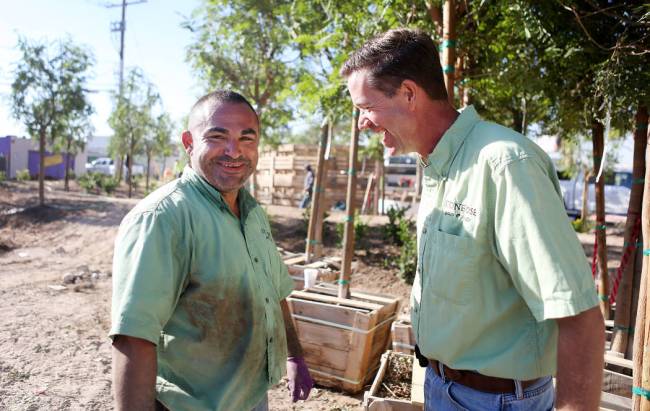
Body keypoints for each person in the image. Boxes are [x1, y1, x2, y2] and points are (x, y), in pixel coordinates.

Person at [341, 29, 604, 411]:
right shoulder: (437, 166)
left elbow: (579, 316)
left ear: (409, 94)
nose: (362, 123)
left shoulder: (505, 165)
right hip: (443, 387)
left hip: (497, 401)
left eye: (366, 107)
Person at [110, 90, 313, 411]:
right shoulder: (163, 219)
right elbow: (134, 338)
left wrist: (294, 355)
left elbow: (275, 292)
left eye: (247, 139)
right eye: (218, 137)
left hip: (250, 395)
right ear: (189, 143)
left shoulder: (253, 213)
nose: (235, 151)